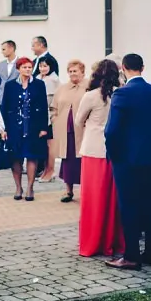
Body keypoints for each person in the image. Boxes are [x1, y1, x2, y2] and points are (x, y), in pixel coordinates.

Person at [104, 54, 151, 270]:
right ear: (142, 67)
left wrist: (114, 155)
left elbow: (112, 131)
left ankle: (132, 255)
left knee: (129, 206)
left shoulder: (122, 94)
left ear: (123, 68)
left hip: (127, 161)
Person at [75, 60, 124, 257]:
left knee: (93, 198)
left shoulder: (91, 96)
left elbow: (78, 120)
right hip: (116, 150)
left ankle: (92, 241)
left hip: (94, 150)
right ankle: (110, 241)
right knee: (112, 200)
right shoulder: (121, 94)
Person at [1, 57, 51, 201]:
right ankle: (18, 187)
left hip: (32, 126)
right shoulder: (10, 85)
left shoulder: (39, 84)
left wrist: (43, 127)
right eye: (24, 67)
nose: (27, 70)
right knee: (15, 157)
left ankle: (30, 187)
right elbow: (5, 107)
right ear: (18, 69)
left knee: (32, 155)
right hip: (14, 126)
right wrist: (3, 128)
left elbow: (43, 107)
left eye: (29, 67)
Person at [49, 60, 86, 201]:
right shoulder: (62, 88)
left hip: (82, 132)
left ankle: (85, 191)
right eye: (70, 71)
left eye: (75, 71)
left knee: (82, 162)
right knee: (68, 162)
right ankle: (68, 191)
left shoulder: (89, 87)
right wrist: (55, 120)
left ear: (82, 72)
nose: (72, 74)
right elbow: (53, 107)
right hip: (66, 132)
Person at [0, 41, 18, 105]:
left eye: (4, 49)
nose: (2, 52)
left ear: (11, 49)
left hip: (16, 98)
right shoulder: (1, 64)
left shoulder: (21, 63)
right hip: (1, 99)